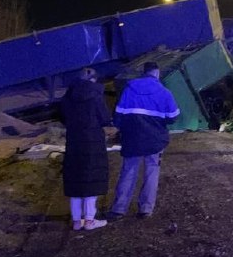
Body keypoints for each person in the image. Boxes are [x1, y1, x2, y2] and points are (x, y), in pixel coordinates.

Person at [107, 62, 180, 221]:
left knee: (128, 171)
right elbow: (173, 117)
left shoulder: (129, 90)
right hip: (155, 140)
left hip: (132, 139)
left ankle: (119, 209)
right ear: (157, 73)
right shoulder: (164, 92)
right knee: (151, 172)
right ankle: (145, 209)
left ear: (144, 73)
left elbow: (118, 116)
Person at [60, 67, 110, 231]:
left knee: (75, 179)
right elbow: (104, 118)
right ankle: (89, 220)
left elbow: (62, 117)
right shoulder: (95, 96)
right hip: (92, 140)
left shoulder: (68, 96)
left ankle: (76, 221)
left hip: (74, 140)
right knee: (91, 179)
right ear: (93, 80)